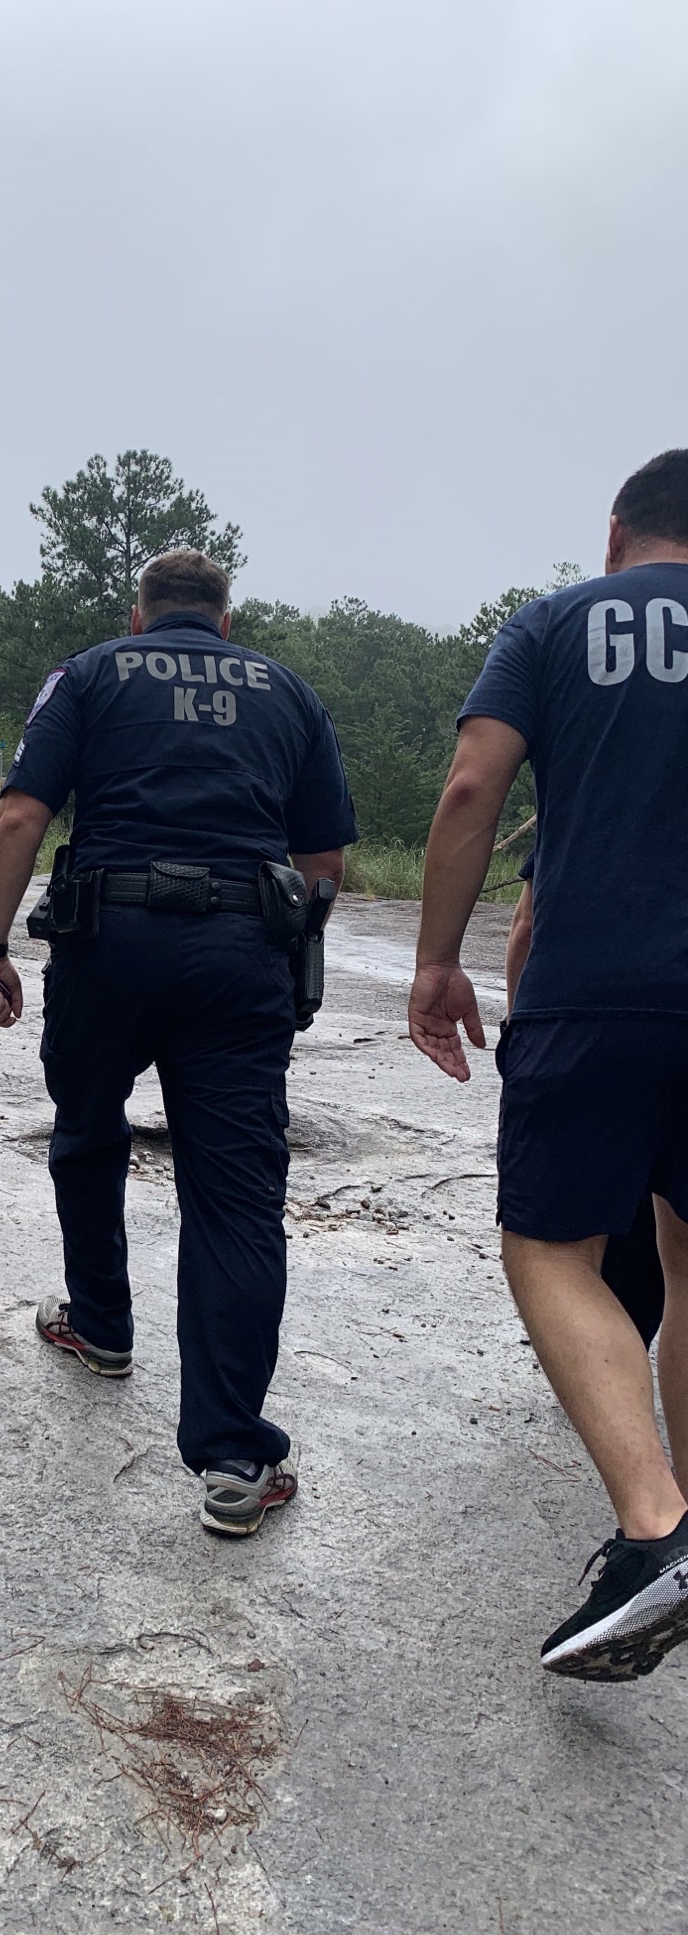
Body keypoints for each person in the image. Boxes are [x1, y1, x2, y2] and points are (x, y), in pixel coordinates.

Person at [0, 549, 356, 1536]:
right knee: (233, 1195)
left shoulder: (93, 670)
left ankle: (101, 1325)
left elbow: (20, 812)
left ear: (139, 613)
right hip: (237, 957)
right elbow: (322, 860)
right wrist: (289, 953)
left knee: (88, 1127)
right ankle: (233, 1457)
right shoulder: (288, 690)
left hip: (108, 942)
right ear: (227, 620)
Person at [409, 448, 688, 1681]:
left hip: (600, 991)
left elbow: (474, 785)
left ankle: (657, 1524)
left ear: (619, 527)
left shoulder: (556, 622)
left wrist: (437, 961)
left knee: (552, 1248)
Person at [507, 852, 664, 1345]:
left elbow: (527, 925)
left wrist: (519, 1032)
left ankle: (610, 1373)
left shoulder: (590, 796)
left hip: (596, 1021)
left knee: (569, 1242)